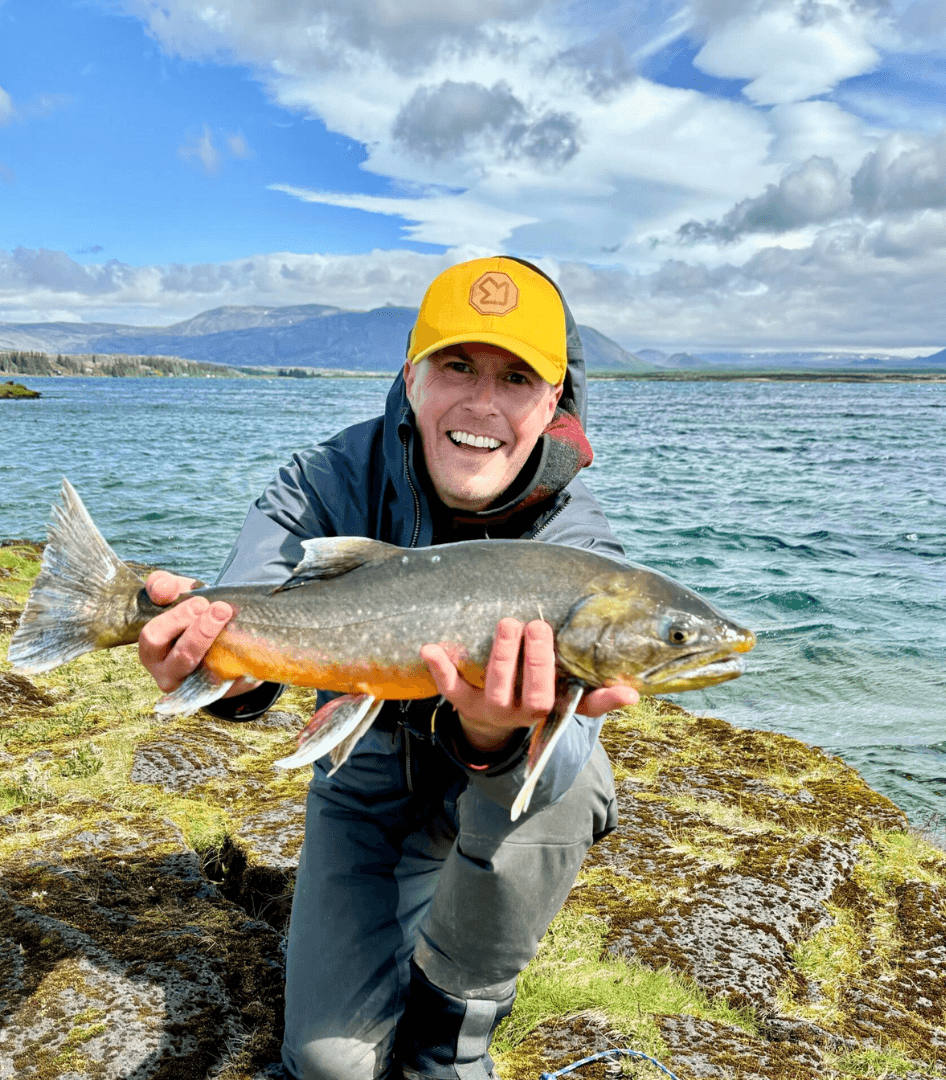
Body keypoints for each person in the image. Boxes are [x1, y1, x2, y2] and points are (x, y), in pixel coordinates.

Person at [138, 256, 639, 1080]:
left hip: (500, 789)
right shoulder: (324, 480)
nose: (482, 403)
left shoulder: (577, 545)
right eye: (456, 366)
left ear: (554, 403)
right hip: (363, 775)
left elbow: (560, 756)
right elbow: (253, 614)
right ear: (411, 378)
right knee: (328, 1068)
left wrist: (494, 735)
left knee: (573, 765)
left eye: (516, 378)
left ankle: (453, 1029)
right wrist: (217, 666)